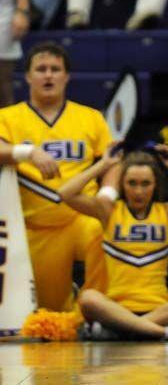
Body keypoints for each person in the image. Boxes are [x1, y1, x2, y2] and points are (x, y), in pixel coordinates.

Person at [57, 143, 168, 340]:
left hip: (160, 306)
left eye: (145, 183)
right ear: (122, 184)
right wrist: (104, 165)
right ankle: (163, 332)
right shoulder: (109, 211)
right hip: (115, 306)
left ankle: (124, 331)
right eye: (132, 183)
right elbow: (65, 193)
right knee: (89, 298)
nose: (138, 191)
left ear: (155, 184)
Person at [0, 42, 115, 311]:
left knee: (107, 228)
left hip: (79, 217)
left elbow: (112, 161)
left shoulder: (91, 117)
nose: (48, 75)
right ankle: (70, 301)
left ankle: (96, 309)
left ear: (66, 76)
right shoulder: (8, 117)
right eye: (41, 69)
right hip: (34, 225)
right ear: (28, 77)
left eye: (55, 69)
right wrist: (26, 152)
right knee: (51, 310)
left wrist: (107, 194)